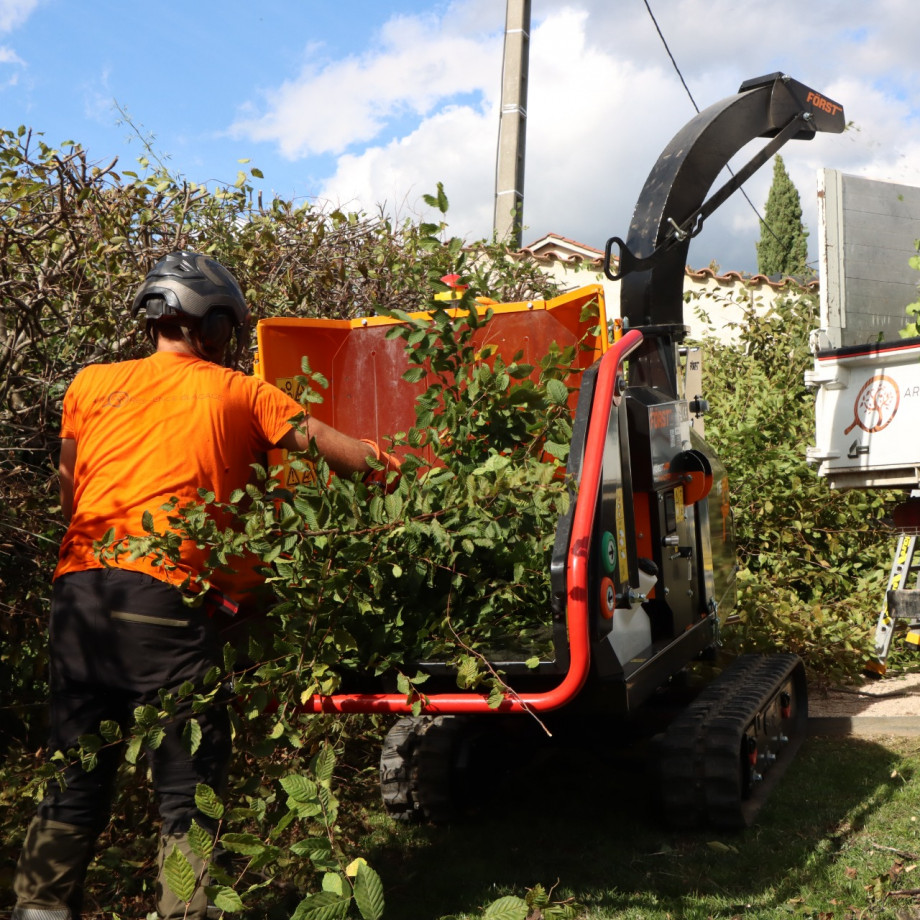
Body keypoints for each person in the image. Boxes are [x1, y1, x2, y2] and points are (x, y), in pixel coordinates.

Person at [11, 251, 399, 920]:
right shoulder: (241, 390)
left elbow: (71, 491)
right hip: (163, 600)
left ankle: (37, 910)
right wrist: (405, 472)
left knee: (75, 773)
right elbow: (337, 451)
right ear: (215, 325)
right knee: (187, 794)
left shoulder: (88, 384)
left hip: (79, 598)